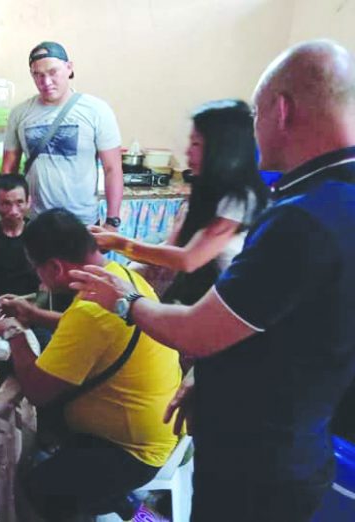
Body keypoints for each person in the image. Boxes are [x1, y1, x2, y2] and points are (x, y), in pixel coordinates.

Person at [69, 39, 355, 522]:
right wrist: (212, 378)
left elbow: (197, 329)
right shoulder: (328, 198)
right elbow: (287, 324)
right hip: (291, 440)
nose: (256, 132)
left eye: (258, 115)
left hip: (258, 460)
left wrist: (124, 299)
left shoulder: (307, 216)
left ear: (281, 110)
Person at [0, 208, 181, 521]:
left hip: (131, 452)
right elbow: (84, 328)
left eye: (36, 269)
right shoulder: (122, 279)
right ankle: (118, 500)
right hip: (160, 427)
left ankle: (117, 504)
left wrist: (13, 333)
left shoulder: (90, 312)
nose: (37, 277)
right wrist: (34, 314)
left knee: (38, 488)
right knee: (40, 335)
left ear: (54, 268)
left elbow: (38, 391)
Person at [91, 99, 269, 305]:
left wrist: (119, 243)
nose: (187, 152)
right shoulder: (206, 192)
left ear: (223, 148)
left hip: (236, 304)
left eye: (196, 144)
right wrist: (113, 244)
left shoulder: (241, 200)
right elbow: (170, 254)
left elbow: (187, 260)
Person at [1, 41, 124, 229]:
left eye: (53, 72)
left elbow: (112, 169)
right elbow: (9, 169)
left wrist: (112, 220)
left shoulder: (97, 110)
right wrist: (9, 213)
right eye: (38, 75)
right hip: (36, 221)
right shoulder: (20, 114)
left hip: (82, 223)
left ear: (69, 68)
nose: (46, 82)